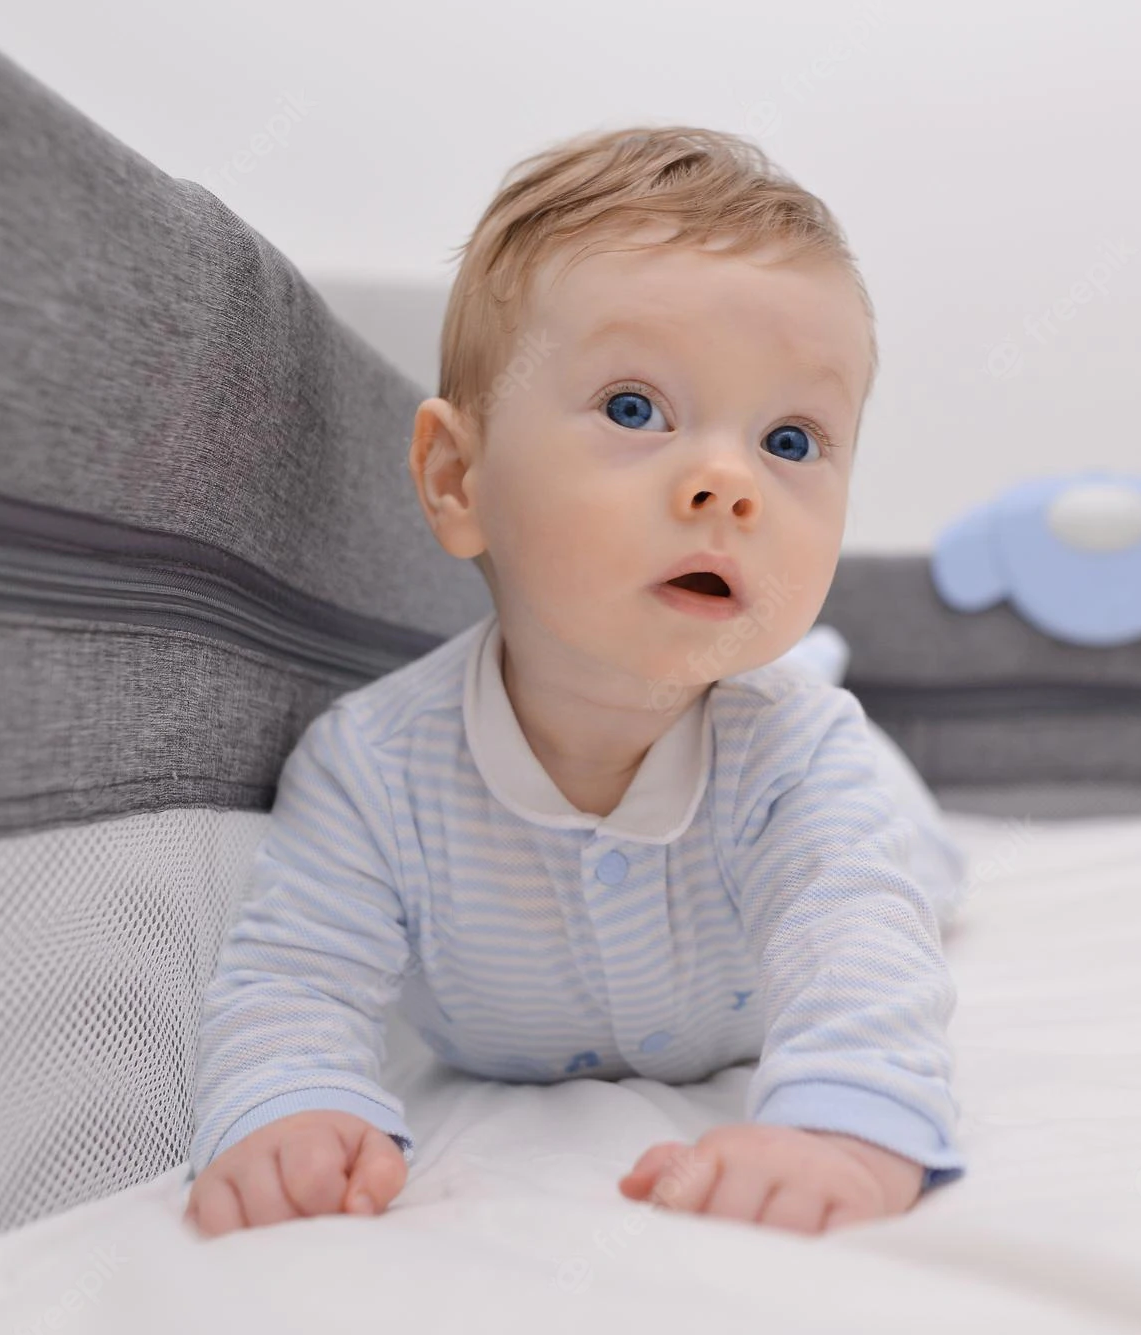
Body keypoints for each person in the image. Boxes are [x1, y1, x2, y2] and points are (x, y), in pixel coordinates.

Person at [183, 125, 968, 1240]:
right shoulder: (372, 769)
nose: (728, 483)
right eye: (634, 408)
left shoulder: (802, 755)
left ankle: (829, 681)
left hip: (857, 792)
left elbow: (861, 947)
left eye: (791, 440)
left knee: (922, 868)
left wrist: (847, 1129)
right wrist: (290, 1108)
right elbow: (293, 980)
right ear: (457, 479)